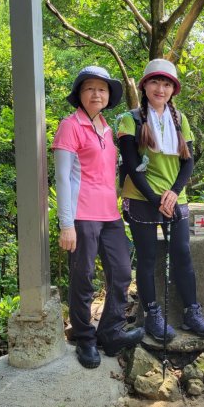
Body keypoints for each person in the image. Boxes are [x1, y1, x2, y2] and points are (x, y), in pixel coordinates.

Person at [52, 66, 145, 369]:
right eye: (89, 88)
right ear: (79, 94)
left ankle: (110, 332)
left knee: (120, 273)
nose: (96, 94)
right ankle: (84, 338)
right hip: (81, 216)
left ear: (108, 96)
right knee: (83, 279)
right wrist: (66, 224)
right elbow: (63, 178)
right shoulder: (70, 125)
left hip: (110, 215)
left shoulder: (107, 128)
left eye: (102, 89)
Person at [117, 58, 204, 342]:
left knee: (183, 255)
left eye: (167, 83)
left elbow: (188, 162)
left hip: (175, 197)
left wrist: (173, 193)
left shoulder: (179, 119)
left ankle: (191, 312)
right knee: (147, 259)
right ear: (144, 85)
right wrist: (155, 197)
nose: (161, 88)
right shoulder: (130, 119)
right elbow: (132, 165)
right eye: (155, 82)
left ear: (173, 89)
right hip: (142, 197)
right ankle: (152, 315)